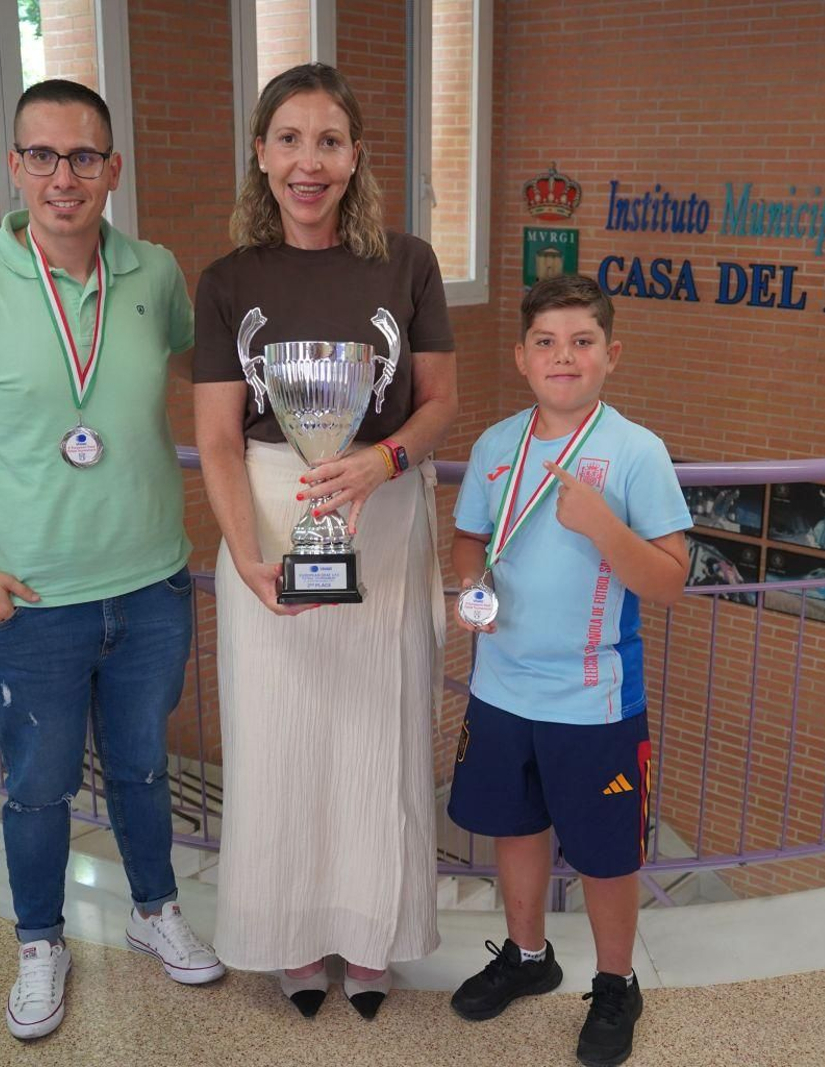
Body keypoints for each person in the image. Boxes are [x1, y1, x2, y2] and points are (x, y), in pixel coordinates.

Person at [0, 79, 224, 1041]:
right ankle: (41, 941)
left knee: (145, 767)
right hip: (28, 602)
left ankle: (154, 912)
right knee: (38, 783)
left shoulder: (153, 273)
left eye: (84, 157)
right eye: (43, 155)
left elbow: (216, 379)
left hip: (152, 586)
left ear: (113, 169)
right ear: (16, 166)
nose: (63, 177)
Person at [192, 63, 457, 1020]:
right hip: (266, 519)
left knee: (378, 737)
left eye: (330, 142)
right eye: (290, 140)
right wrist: (245, 554)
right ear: (261, 156)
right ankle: (293, 939)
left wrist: (383, 461)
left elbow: (441, 406)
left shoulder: (408, 262)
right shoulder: (226, 282)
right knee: (278, 739)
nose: (311, 162)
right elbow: (218, 438)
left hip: (380, 519)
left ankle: (375, 933)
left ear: (356, 158)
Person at [447, 274, 691, 1067]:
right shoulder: (495, 446)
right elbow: (468, 540)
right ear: (521, 357)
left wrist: (603, 526)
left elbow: (670, 578)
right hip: (501, 684)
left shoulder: (634, 451)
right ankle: (527, 956)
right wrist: (467, 585)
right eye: (546, 342)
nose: (564, 356)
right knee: (516, 827)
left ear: (610, 355)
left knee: (605, 852)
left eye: (582, 342)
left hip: (595, 697)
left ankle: (616, 982)